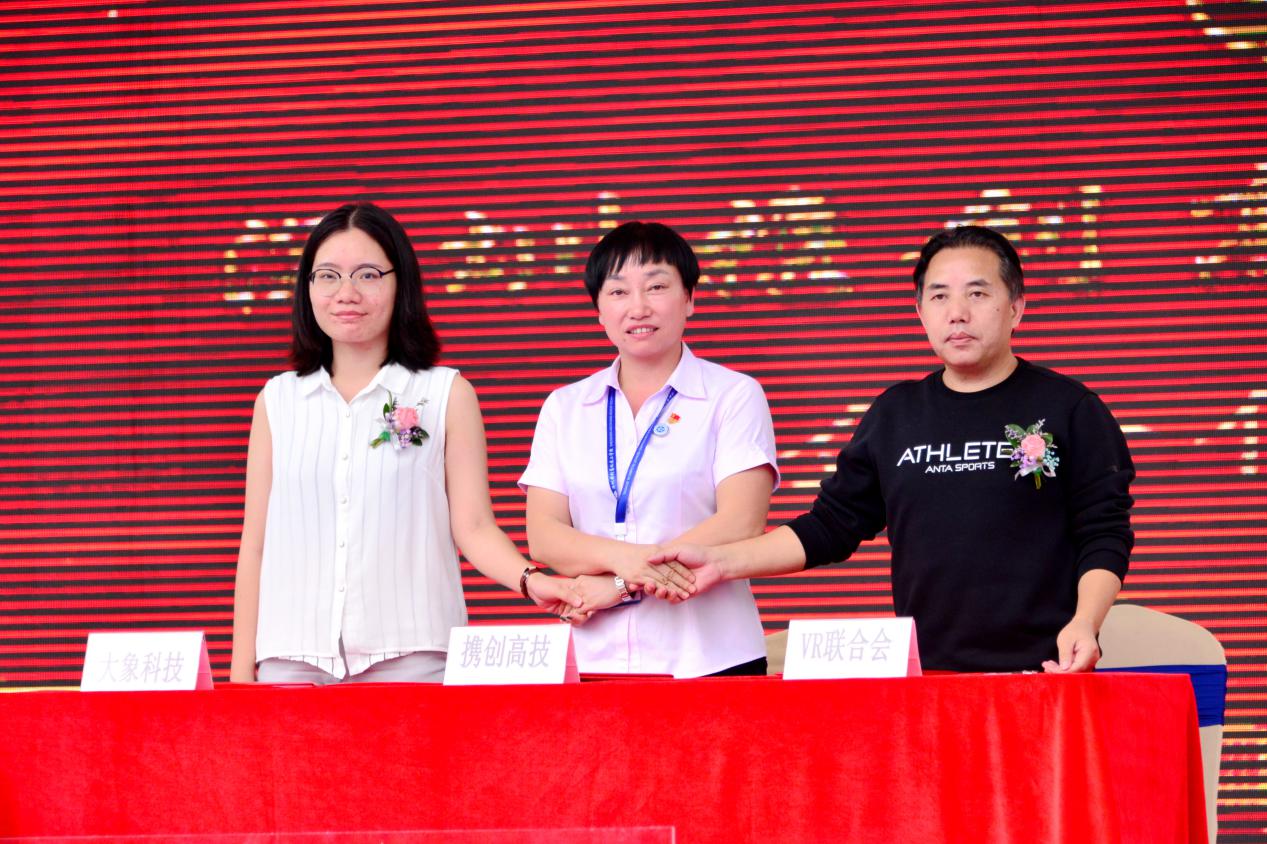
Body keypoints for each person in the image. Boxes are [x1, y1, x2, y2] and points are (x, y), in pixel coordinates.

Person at [652, 225, 1134, 673]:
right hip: (926, 679)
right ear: (921, 312)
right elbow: (830, 526)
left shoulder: (1069, 408)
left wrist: (1085, 623)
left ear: (1016, 307)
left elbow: (1104, 532)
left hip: (1044, 674)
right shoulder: (896, 414)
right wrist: (721, 562)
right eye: (939, 296)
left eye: (977, 293)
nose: (957, 313)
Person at [230, 202, 580, 684]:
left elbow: (475, 527)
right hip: (290, 665)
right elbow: (256, 545)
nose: (346, 293)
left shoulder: (445, 393)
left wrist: (530, 580)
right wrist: (240, 675)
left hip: (413, 662)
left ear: (401, 284)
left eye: (367, 275)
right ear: (307, 288)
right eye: (328, 276)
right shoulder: (277, 400)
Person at [519, 221, 779, 677]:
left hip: (710, 656)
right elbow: (545, 535)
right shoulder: (564, 406)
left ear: (689, 298)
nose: (638, 307)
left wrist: (620, 585)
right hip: (593, 657)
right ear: (599, 311)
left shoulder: (733, 395)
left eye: (656, 286)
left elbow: (741, 522)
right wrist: (627, 569)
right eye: (618, 292)